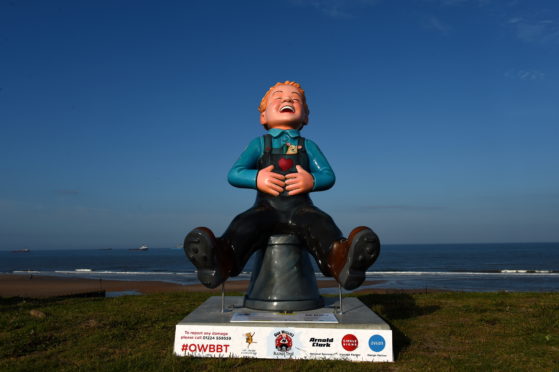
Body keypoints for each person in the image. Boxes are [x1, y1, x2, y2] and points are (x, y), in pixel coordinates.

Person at [184, 81, 380, 290]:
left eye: (295, 99)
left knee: (321, 223)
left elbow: (328, 176)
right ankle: (220, 258)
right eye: (279, 97)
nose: (287, 100)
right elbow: (234, 173)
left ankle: (342, 260)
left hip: (301, 209)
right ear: (263, 116)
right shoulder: (259, 144)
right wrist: (257, 177)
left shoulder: (308, 146)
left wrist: (311, 181)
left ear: (305, 116)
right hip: (266, 208)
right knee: (244, 225)